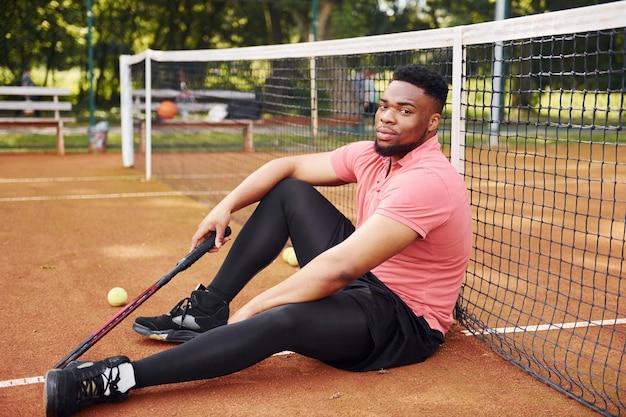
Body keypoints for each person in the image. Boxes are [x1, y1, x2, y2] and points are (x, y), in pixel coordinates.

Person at [44, 64, 473, 417]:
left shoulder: (426, 182)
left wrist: (257, 306)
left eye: (404, 110)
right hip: (366, 274)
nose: (386, 117)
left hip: (401, 319)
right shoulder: (371, 155)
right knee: (289, 192)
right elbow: (285, 166)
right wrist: (224, 207)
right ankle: (208, 311)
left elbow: (341, 268)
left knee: (279, 319)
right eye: (383, 106)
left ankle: (119, 378)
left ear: (432, 122)